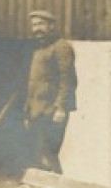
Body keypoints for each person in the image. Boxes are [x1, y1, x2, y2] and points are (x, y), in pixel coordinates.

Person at [24, 9, 77, 177]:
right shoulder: (39, 49)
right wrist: (28, 109)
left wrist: (61, 108)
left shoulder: (61, 47)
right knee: (40, 153)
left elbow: (67, 79)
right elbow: (34, 83)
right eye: (34, 25)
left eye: (41, 24)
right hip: (37, 110)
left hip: (52, 111)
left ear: (51, 26)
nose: (36, 28)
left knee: (49, 153)